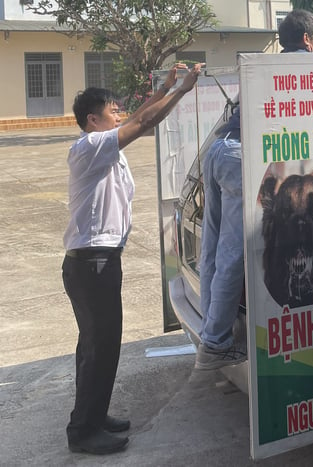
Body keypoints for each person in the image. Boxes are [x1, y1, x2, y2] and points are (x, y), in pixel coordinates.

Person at [62, 62, 203, 455]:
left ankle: (92, 414)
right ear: (93, 120)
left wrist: (166, 87)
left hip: (98, 261)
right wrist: (182, 91)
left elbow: (141, 117)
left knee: (98, 345)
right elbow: (144, 123)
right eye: (112, 112)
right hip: (92, 263)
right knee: (100, 345)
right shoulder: (91, 146)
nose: (120, 116)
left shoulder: (105, 147)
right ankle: (83, 431)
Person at [194, 9, 313, 370]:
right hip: (238, 158)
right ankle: (216, 345)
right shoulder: (306, 67)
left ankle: (210, 331)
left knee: (214, 247)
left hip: (218, 149)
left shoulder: (267, 66)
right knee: (236, 250)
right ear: (309, 38)